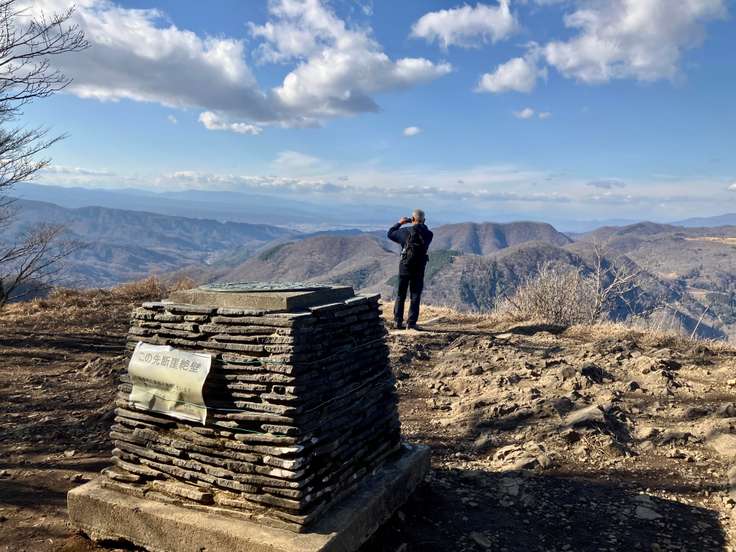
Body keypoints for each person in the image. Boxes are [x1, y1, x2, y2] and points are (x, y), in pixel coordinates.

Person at [387, 209, 433, 330]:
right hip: (419, 267)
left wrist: (400, 223)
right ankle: (411, 323)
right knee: (415, 295)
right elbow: (425, 231)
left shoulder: (404, 232)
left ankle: (398, 321)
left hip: (405, 266)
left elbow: (390, 233)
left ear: (412, 219)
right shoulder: (429, 234)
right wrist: (421, 224)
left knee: (401, 294)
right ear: (424, 220)